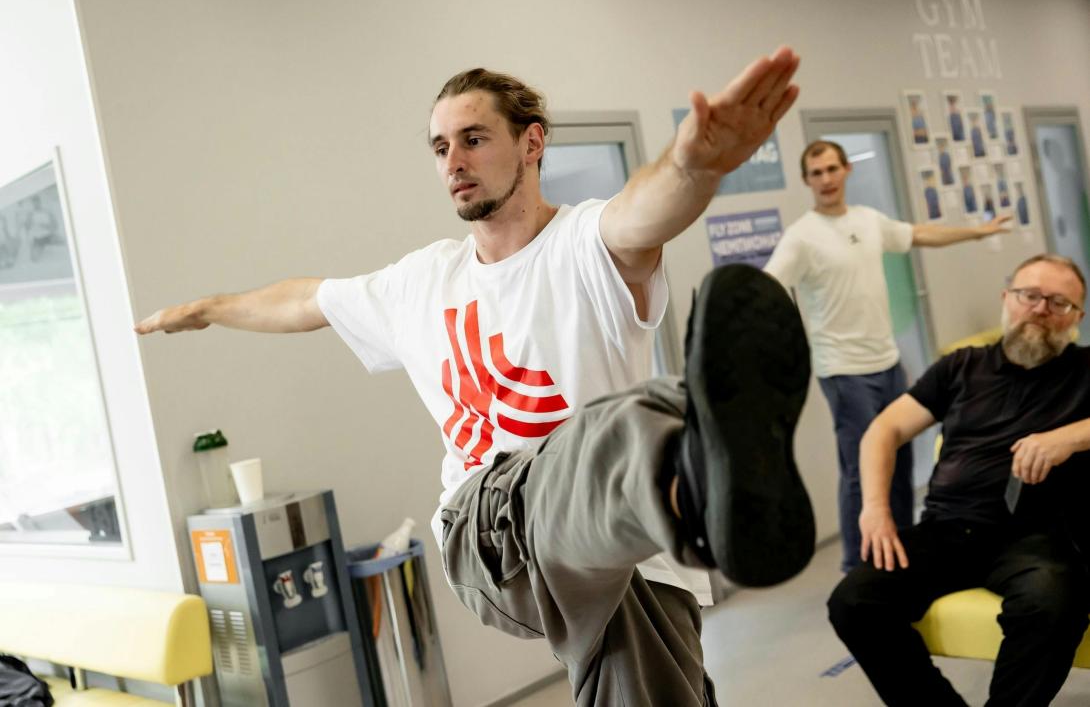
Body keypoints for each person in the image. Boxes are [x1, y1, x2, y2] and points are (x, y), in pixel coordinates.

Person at [136, 49, 817, 706]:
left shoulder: (582, 246)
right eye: (439, 148)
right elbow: (306, 300)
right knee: (622, 426)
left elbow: (642, 213)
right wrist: (207, 309)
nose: (453, 162)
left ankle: (698, 483)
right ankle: (693, 470)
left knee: (662, 680)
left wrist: (692, 165)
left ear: (531, 143)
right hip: (488, 532)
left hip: (628, 541)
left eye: (472, 138)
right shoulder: (423, 281)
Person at [828, 254, 1090, 707]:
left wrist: (1071, 436)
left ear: (1077, 318)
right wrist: (874, 508)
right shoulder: (960, 367)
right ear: (1006, 298)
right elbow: (882, 432)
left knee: (1052, 602)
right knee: (854, 602)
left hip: (1038, 534)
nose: (1041, 309)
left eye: (1059, 302)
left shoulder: (1086, 369)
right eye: (1030, 295)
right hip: (947, 529)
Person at [763, 140, 1009, 572]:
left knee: (898, 459)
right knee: (862, 467)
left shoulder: (868, 220)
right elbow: (769, 285)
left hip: (888, 363)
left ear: (845, 172)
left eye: (832, 169)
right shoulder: (801, 236)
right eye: (816, 173)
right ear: (806, 181)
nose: (825, 179)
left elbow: (918, 234)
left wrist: (977, 232)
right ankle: (859, 563)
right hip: (843, 370)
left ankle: (897, 545)